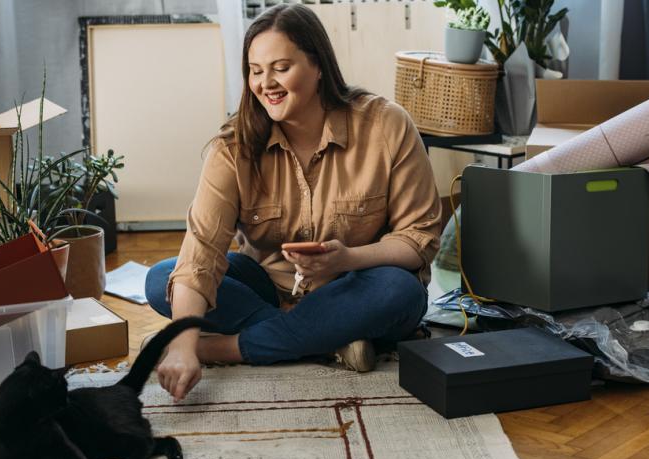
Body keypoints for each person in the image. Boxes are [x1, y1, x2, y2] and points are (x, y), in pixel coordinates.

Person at [145, 3, 441, 401]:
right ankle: (332, 341)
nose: (266, 82)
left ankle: (227, 347)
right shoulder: (233, 148)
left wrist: (346, 259)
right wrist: (181, 344)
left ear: (318, 66)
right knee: (161, 278)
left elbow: (418, 240)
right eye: (255, 70)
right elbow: (200, 254)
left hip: (357, 288)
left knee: (400, 292)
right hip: (270, 287)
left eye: (280, 68)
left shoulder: (387, 125)